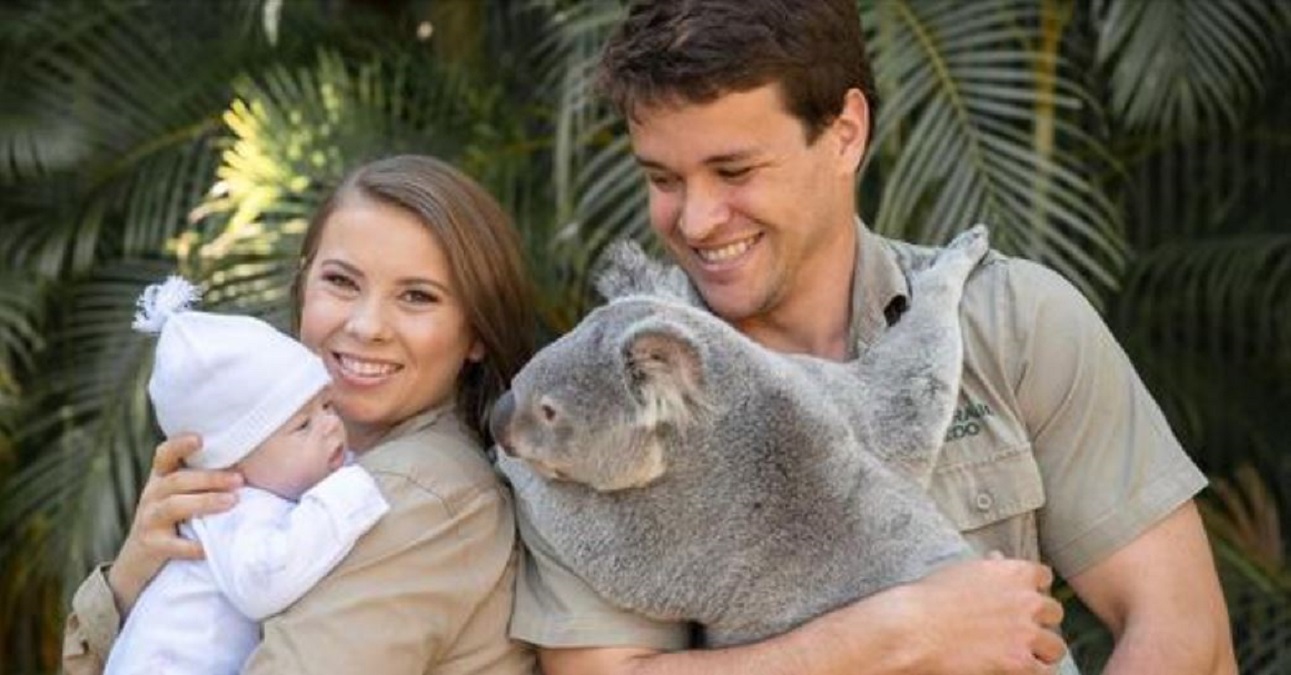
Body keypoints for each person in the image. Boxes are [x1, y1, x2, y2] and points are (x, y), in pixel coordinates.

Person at [508, 2, 1237, 674]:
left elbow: (1180, 625)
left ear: (844, 133)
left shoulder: (1009, 319)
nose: (696, 220)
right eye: (663, 179)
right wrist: (899, 630)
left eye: (734, 170)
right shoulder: (585, 401)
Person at [63, 155, 538, 675]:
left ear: (474, 333)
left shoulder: (415, 492)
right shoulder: (283, 475)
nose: (367, 325)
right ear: (303, 284)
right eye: (342, 281)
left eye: (417, 296)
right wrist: (135, 579)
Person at [107, 276, 390, 674]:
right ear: (231, 462)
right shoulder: (228, 506)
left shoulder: (268, 485)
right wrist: (352, 491)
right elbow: (263, 584)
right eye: (302, 426)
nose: (329, 425)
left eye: (326, 405)